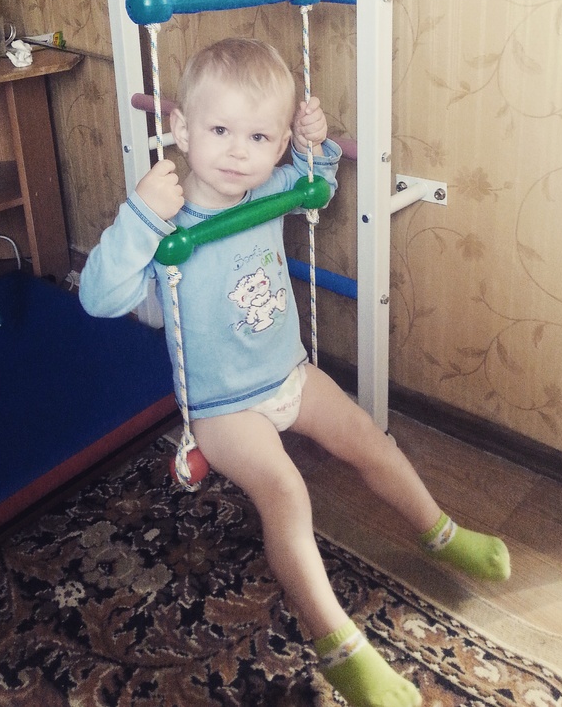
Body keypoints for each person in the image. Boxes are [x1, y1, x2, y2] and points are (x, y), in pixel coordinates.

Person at [80, 38, 510, 707]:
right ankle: (339, 648)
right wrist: (138, 217)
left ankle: (440, 533)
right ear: (182, 129)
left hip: (290, 374)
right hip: (224, 408)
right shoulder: (164, 223)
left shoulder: (269, 186)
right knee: (286, 492)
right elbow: (97, 298)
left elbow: (321, 182)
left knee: (369, 439)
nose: (237, 152)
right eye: (219, 131)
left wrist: (315, 144)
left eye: (258, 136)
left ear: (276, 143)